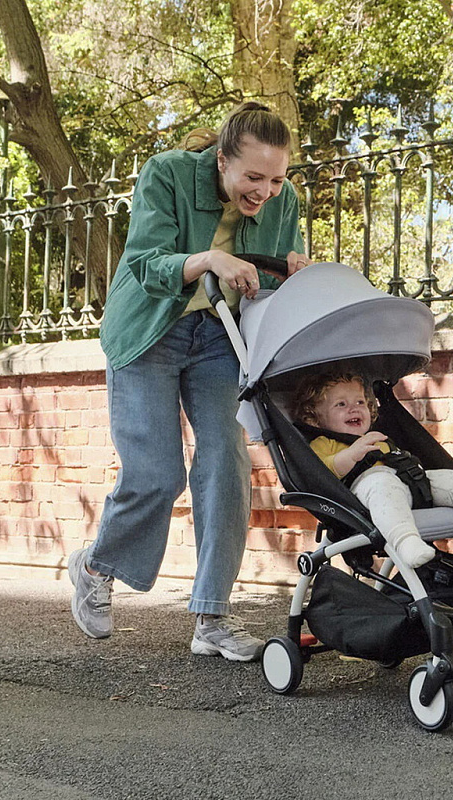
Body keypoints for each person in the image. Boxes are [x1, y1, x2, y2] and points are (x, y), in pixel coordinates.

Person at [68, 102, 310, 662]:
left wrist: (293, 270)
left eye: (276, 180)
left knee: (227, 463)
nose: (265, 192)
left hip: (220, 335)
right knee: (156, 472)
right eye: (253, 177)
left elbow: (270, 285)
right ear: (222, 160)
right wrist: (208, 260)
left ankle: (212, 618)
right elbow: (146, 264)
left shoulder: (285, 201)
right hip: (150, 329)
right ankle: (96, 566)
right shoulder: (168, 173)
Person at [291, 371, 453, 590]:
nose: (353, 409)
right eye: (341, 404)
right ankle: (406, 542)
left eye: (360, 402)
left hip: (413, 481)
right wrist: (351, 455)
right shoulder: (323, 443)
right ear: (315, 419)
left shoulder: (377, 435)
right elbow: (323, 472)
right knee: (382, 483)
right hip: (373, 491)